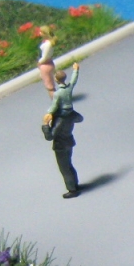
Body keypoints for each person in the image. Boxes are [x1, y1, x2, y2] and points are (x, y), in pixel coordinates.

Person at [42, 62, 81, 197]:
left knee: (64, 168)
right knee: (69, 165)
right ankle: (75, 184)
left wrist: (46, 123)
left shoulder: (58, 96)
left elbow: (50, 137)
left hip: (61, 146)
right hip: (70, 141)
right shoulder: (72, 113)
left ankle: (72, 189)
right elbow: (73, 81)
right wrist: (76, 71)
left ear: (56, 80)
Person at [36, 30, 58, 96]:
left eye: (41, 32)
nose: (40, 33)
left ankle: (55, 99)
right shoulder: (48, 42)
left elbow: (45, 56)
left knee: (49, 86)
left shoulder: (47, 44)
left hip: (45, 64)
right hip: (49, 63)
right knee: (50, 84)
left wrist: (39, 62)